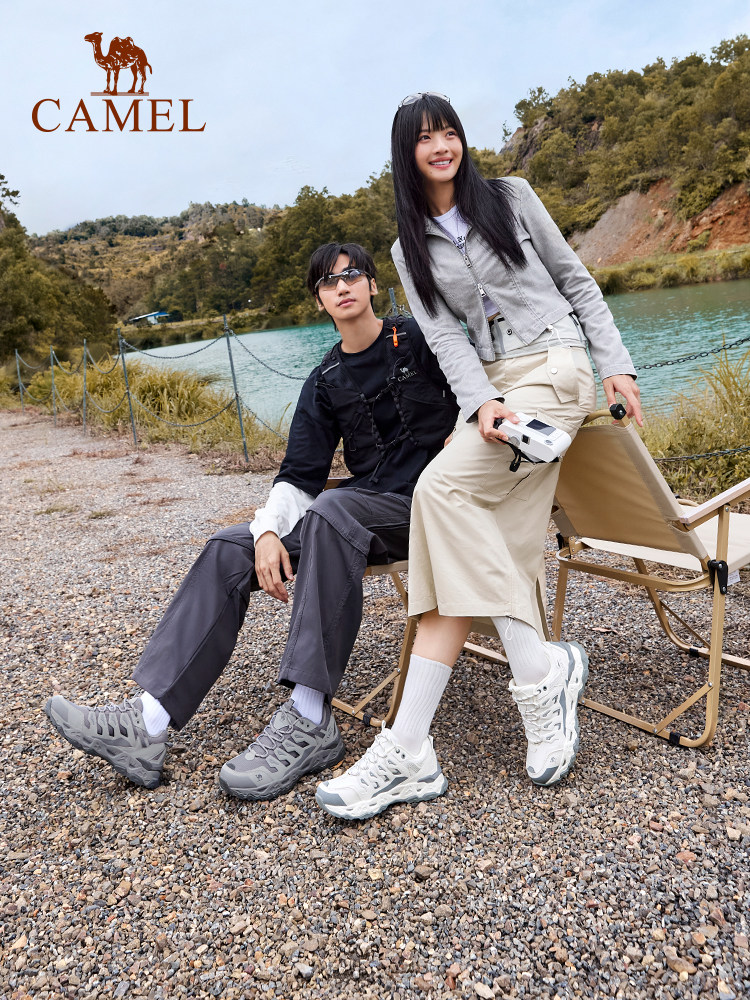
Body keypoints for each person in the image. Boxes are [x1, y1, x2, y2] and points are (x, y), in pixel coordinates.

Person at [316, 94, 643, 820]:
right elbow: (444, 337)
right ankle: (431, 735)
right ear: (406, 154)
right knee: (484, 548)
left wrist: (616, 363)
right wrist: (480, 402)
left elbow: (576, 281)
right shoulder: (406, 247)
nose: (442, 146)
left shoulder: (511, 197)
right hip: (495, 390)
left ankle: (523, 680)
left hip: (554, 368)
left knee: (439, 493)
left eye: (449, 132)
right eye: (425, 138)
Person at [45, 242, 458, 800]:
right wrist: (265, 532)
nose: (342, 286)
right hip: (362, 513)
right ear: (318, 300)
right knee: (229, 546)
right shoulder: (325, 379)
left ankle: (309, 716)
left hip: (433, 506)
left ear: (371, 282)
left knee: (333, 510)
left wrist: (465, 437)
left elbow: (477, 389)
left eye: (353, 274)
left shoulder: (421, 338)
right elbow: (299, 476)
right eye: (329, 281)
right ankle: (148, 722)